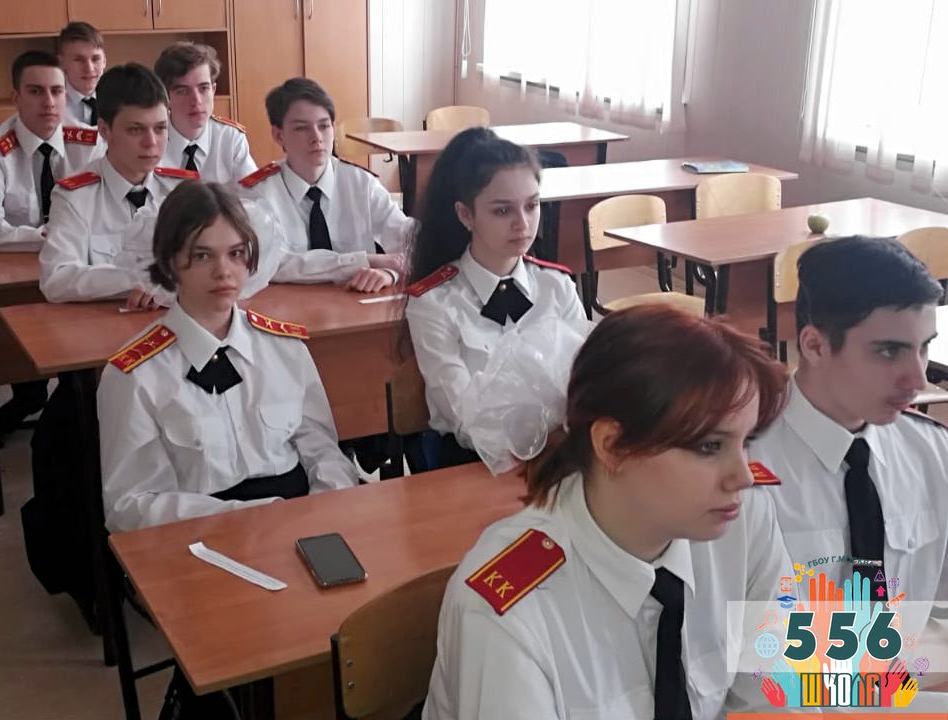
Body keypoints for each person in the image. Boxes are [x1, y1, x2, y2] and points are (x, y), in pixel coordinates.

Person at [424, 304, 793, 719]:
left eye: (747, 442)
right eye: (710, 446)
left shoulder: (744, 523)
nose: (743, 476)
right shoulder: (512, 612)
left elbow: (778, 697)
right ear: (612, 446)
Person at [98, 179, 358, 532]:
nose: (223, 271)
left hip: (298, 518)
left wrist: (322, 509)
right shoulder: (137, 374)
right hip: (198, 533)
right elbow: (130, 505)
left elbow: (322, 450)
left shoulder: (283, 347)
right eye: (202, 256)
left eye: (236, 254)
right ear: (171, 263)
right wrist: (247, 519)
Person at [748, 237, 948, 648]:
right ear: (815, 346)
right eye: (889, 352)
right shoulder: (742, 464)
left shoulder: (932, 452)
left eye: (924, 347)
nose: (918, 379)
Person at [404, 127, 591, 468]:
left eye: (532, 206)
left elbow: (587, 382)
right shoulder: (434, 303)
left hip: (559, 453)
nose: (523, 224)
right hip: (474, 463)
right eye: (503, 211)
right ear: (465, 215)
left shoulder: (557, 287)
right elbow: (465, 417)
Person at [0, 51, 101, 436]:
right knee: (13, 344)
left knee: (84, 362)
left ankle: (74, 400)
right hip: (20, 270)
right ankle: (29, 394)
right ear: (16, 97)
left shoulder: (88, 142)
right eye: (36, 91)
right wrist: (47, 237)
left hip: (76, 265)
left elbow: (106, 213)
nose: (49, 102)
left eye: (57, 91)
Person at [38, 62, 195, 305]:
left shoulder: (182, 190)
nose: (151, 142)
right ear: (104, 129)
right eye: (135, 130)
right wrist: (144, 278)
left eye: (160, 128)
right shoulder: (75, 197)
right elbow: (56, 280)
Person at [239, 77, 411, 292]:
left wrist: (390, 273)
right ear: (278, 135)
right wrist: (366, 260)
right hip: (285, 304)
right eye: (302, 128)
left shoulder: (360, 183)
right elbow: (271, 263)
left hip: (356, 301)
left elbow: (410, 242)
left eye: (324, 126)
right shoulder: (258, 193)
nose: (317, 137)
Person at [154, 41, 257, 183]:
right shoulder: (152, 141)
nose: (196, 101)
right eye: (183, 91)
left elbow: (254, 193)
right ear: (165, 97)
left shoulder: (230, 137)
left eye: (203, 88)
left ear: (213, 90)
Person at [57, 22, 106, 128]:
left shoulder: (120, 101)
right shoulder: (53, 107)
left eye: (95, 59)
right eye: (79, 60)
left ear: (104, 61)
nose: (89, 68)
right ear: (62, 63)